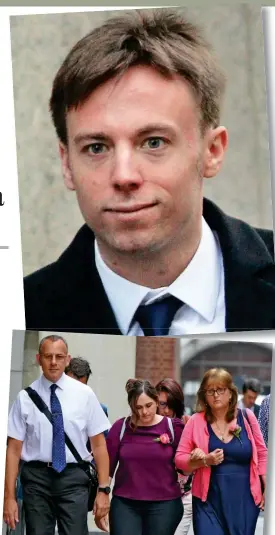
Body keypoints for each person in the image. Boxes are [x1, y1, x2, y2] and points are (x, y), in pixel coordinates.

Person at [23, 8, 275, 335]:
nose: (124, 175)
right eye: (96, 147)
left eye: (153, 142)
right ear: (67, 164)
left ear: (212, 151)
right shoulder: (20, 312)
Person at [3, 335, 111, 535]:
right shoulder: (24, 398)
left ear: (67, 359)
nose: (53, 362)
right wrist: (8, 497)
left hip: (73, 479)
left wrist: (104, 490)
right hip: (36, 480)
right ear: (38, 358)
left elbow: (99, 446)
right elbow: (13, 449)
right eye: (48, 356)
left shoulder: (85, 394)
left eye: (59, 356)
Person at [175, 368, 267, 535]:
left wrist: (267, 488)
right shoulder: (195, 421)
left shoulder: (247, 417)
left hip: (244, 500)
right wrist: (202, 461)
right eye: (210, 391)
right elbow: (179, 459)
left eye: (220, 390)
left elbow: (262, 453)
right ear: (204, 395)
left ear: (231, 393)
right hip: (208, 501)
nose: (216, 395)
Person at [101, 379, 184, 535]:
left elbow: (184, 462)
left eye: (149, 405)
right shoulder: (121, 427)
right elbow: (107, 467)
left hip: (165, 505)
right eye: (138, 407)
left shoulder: (173, 427)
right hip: (125, 504)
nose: (144, 412)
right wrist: (102, 493)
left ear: (156, 401)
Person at [155, 378, 192, 535]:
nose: (167, 411)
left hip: (182, 496)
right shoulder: (145, 425)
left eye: (171, 405)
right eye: (162, 404)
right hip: (153, 497)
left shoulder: (187, 424)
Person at [65, 356, 109, 434]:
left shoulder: (99, 410)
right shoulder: (50, 406)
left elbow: (100, 444)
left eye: (80, 388)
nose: (75, 392)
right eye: (71, 386)